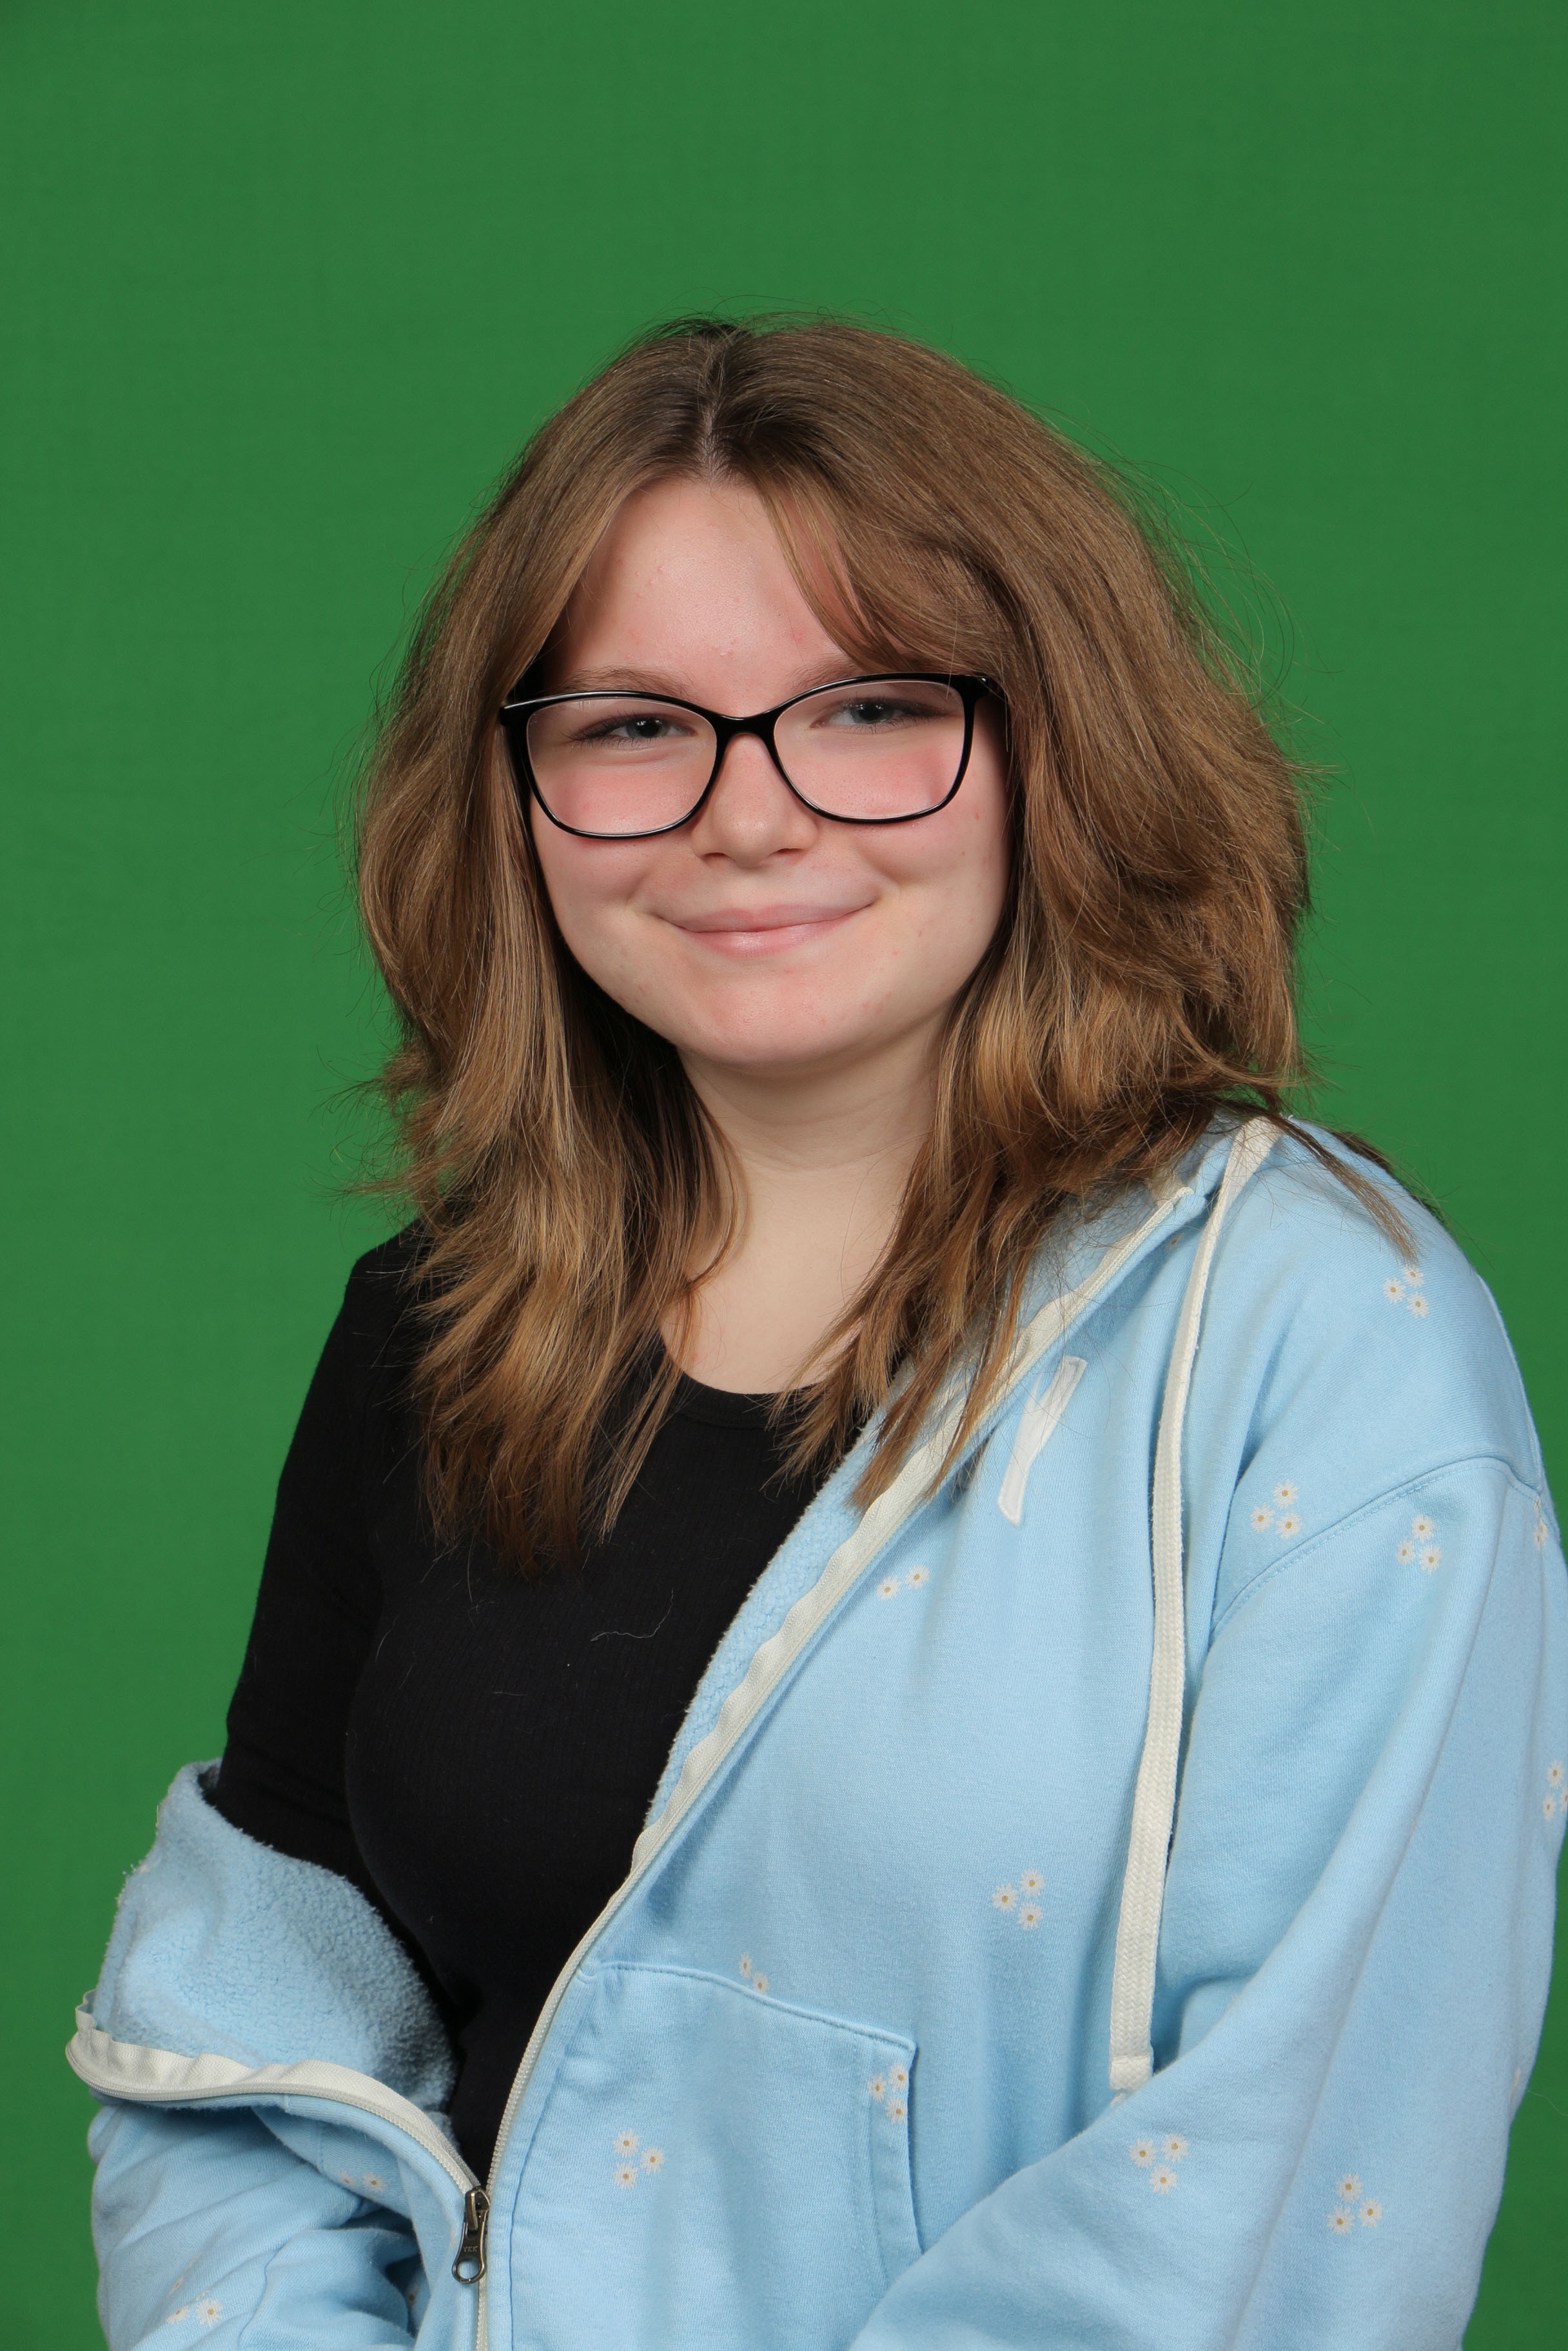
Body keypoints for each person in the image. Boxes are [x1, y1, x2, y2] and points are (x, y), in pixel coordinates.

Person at [73, 319, 1565, 2351]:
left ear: (1057, 743)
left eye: (869, 708)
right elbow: (253, 1993)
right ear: (516, 794)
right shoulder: (446, 1323)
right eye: (631, 725)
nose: (749, 815)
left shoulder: (1326, 1348)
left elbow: (1280, 2198)